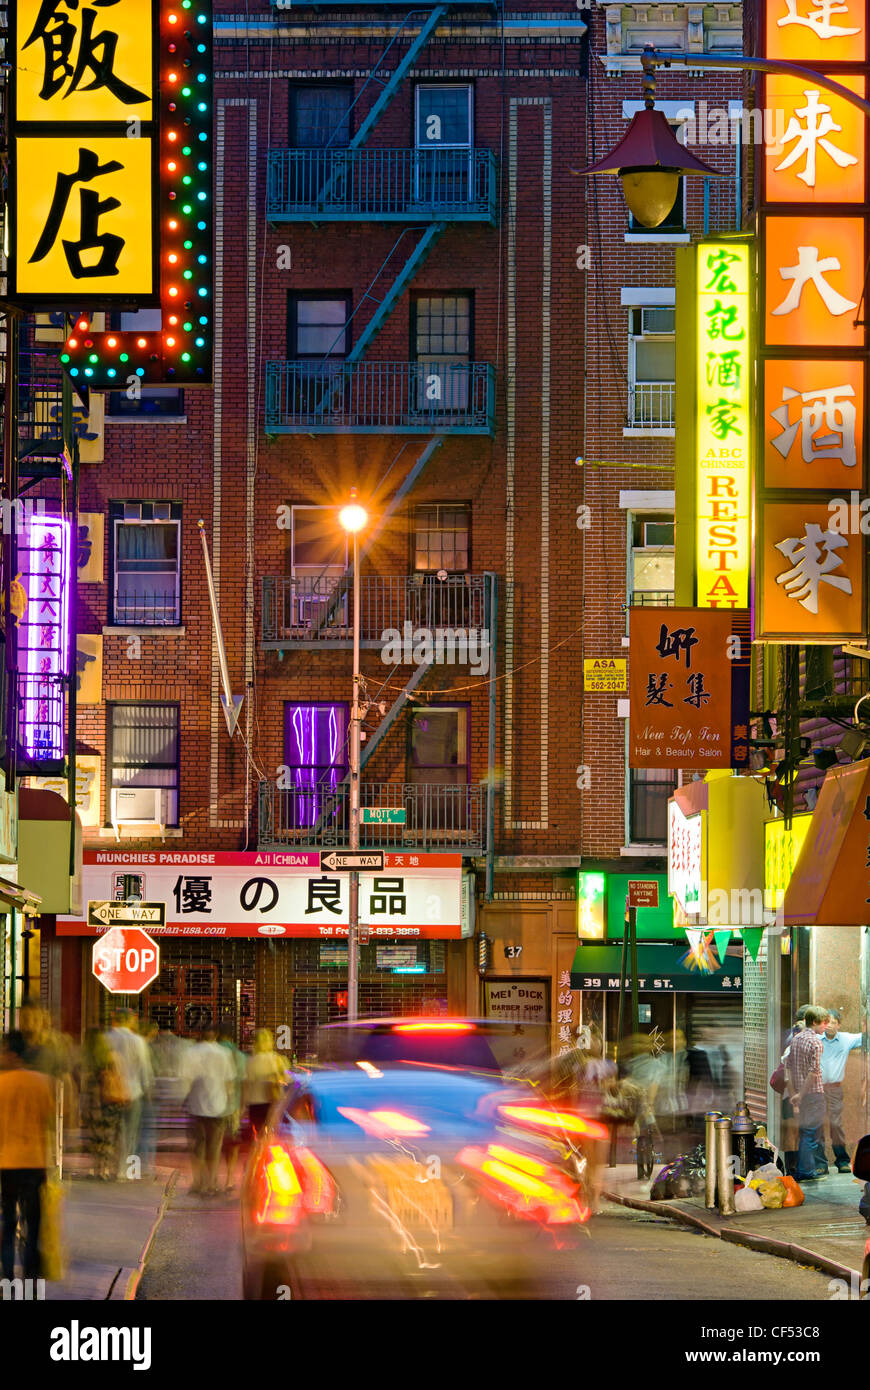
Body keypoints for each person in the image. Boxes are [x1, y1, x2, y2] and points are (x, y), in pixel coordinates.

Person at [0, 1031, 56, 1281]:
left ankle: (8, 1277)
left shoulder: (1, 1084)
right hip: (35, 1162)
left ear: (12, 1054)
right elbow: (50, 1120)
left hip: (6, 1163)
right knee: (33, 1224)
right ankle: (31, 1279)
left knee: (8, 1223)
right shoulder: (42, 1082)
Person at [182, 1026, 235, 1196]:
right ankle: (212, 1182)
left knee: (198, 1145)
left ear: (201, 1034)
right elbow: (229, 1081)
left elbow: (186, 1078)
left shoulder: (192, 1052)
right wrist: (230, 1100)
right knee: (214, 1146)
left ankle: (199, 1182)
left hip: (196, 1105)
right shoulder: (223, 1053)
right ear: (216, 1035)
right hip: (218, 1105)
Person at [785, 1005, 830, 1183]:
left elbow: (787, 1067)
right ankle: (806, 1171)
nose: (825, 1026)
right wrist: (801, 1095)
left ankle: (807, 1168)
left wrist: (794, 1095)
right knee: (810, 1134)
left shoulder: (796, 1039)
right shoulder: (816, 1043)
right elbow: (814, 1072)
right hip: (813, 1095)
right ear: (814, 1022)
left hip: (801, 1096)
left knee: (806, 1132)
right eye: (823, 1023)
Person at [105, 1010, 152, 1180]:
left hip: (110, 1092)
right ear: (129, 1021)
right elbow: (144, 1069)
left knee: (113, 1132)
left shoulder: (107, 1038)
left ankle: (111, 1168)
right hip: (133, 1092)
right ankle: (127, 1171)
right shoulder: (138, 1041)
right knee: (131, 1133)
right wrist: (147, 1089)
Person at [820, 1009, 863, 1174]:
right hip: (816, 1088)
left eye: (833, 1022)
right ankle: (820, 1164)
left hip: (835, 1089)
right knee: (817, 1126)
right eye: (826, 1022)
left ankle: (842, 1160)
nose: (829, 1026)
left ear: (839, 1024)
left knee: (836, 1125)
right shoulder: (816, 1039)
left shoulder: (846, 1039)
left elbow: (864, 1037)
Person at [217, 1028, 247, 1194]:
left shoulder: (213, 1053)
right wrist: (242, 1104)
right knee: (233, 1142)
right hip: (233, 1105)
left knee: (215, 1142)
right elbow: (244, 1082)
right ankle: (229, 1179)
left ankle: (212, 1179)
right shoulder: (240, 1056)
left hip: (214, 1105)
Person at [244, 1029, 286, 1136]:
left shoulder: (250, 1061)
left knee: (258, 1134)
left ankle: (257, 1150)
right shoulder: (275, 1059)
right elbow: (284, 1079)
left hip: (254, 1104)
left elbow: (246, 1083)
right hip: (271, 1103)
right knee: (270, 1135)